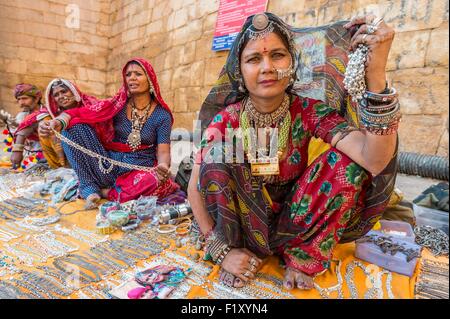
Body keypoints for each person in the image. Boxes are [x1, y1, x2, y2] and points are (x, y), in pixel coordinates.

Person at [188, 12, 399, 290]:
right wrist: (220, 249)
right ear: (239, 71)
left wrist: (376, 73)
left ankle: (302, 256)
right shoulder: (227, 119)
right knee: (217, 156)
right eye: (254, 59)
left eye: (277, 55)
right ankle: (234, 251)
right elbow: (194, 187)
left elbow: (373, 160)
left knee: (348, 164)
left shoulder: (307, 111)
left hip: (294, 226)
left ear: (292, 63)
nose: (267, 67)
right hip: (241, 231)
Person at [40, 58, 180, 209]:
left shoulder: (162, 115)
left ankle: (105, 192)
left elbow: (163, 151)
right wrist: (58, 122)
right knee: (73, 128)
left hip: (139, 168)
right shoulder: (117, 105)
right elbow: (81, 112)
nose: (132, 78)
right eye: (128, 74)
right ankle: (88, 188)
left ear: (150, 79)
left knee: (155, 181)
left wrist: (163, 166)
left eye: (138, 74)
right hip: (108, 164)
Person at [38, 79, 99, 169]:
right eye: (56, 95)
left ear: (73, 91)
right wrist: (43, 125)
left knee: (74, 125)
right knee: (45, 123)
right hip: (69, 160)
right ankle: (61, 165)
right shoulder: (55, 114)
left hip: (96, 155)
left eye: (64, 91)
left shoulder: (90, 104)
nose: (61, 96)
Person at [11, 83, 43, 169]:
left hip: (46, 154)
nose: (21, 103)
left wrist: (17, 149)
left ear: (36, 98)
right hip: (28, 155)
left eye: (24, 98)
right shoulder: (21, 116)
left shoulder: (45, 114)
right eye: (19, 99)